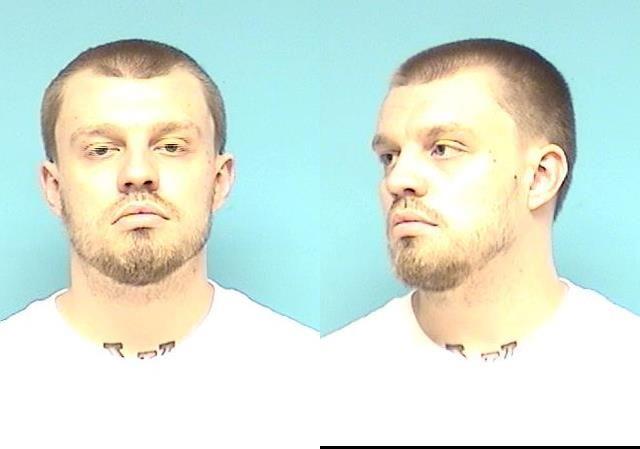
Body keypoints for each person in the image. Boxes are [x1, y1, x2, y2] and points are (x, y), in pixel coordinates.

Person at [322, 38, 640, 445]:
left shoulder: (626, 376)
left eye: (443, 149)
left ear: (540, 177)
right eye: (390, 156)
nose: (398, 179)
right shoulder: (327, 384)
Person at [0, 39, 315, 448]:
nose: (137, 173)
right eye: (101, 149)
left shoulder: (310, 378)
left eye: (170, 147)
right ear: (54, 188)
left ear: (219, 181)